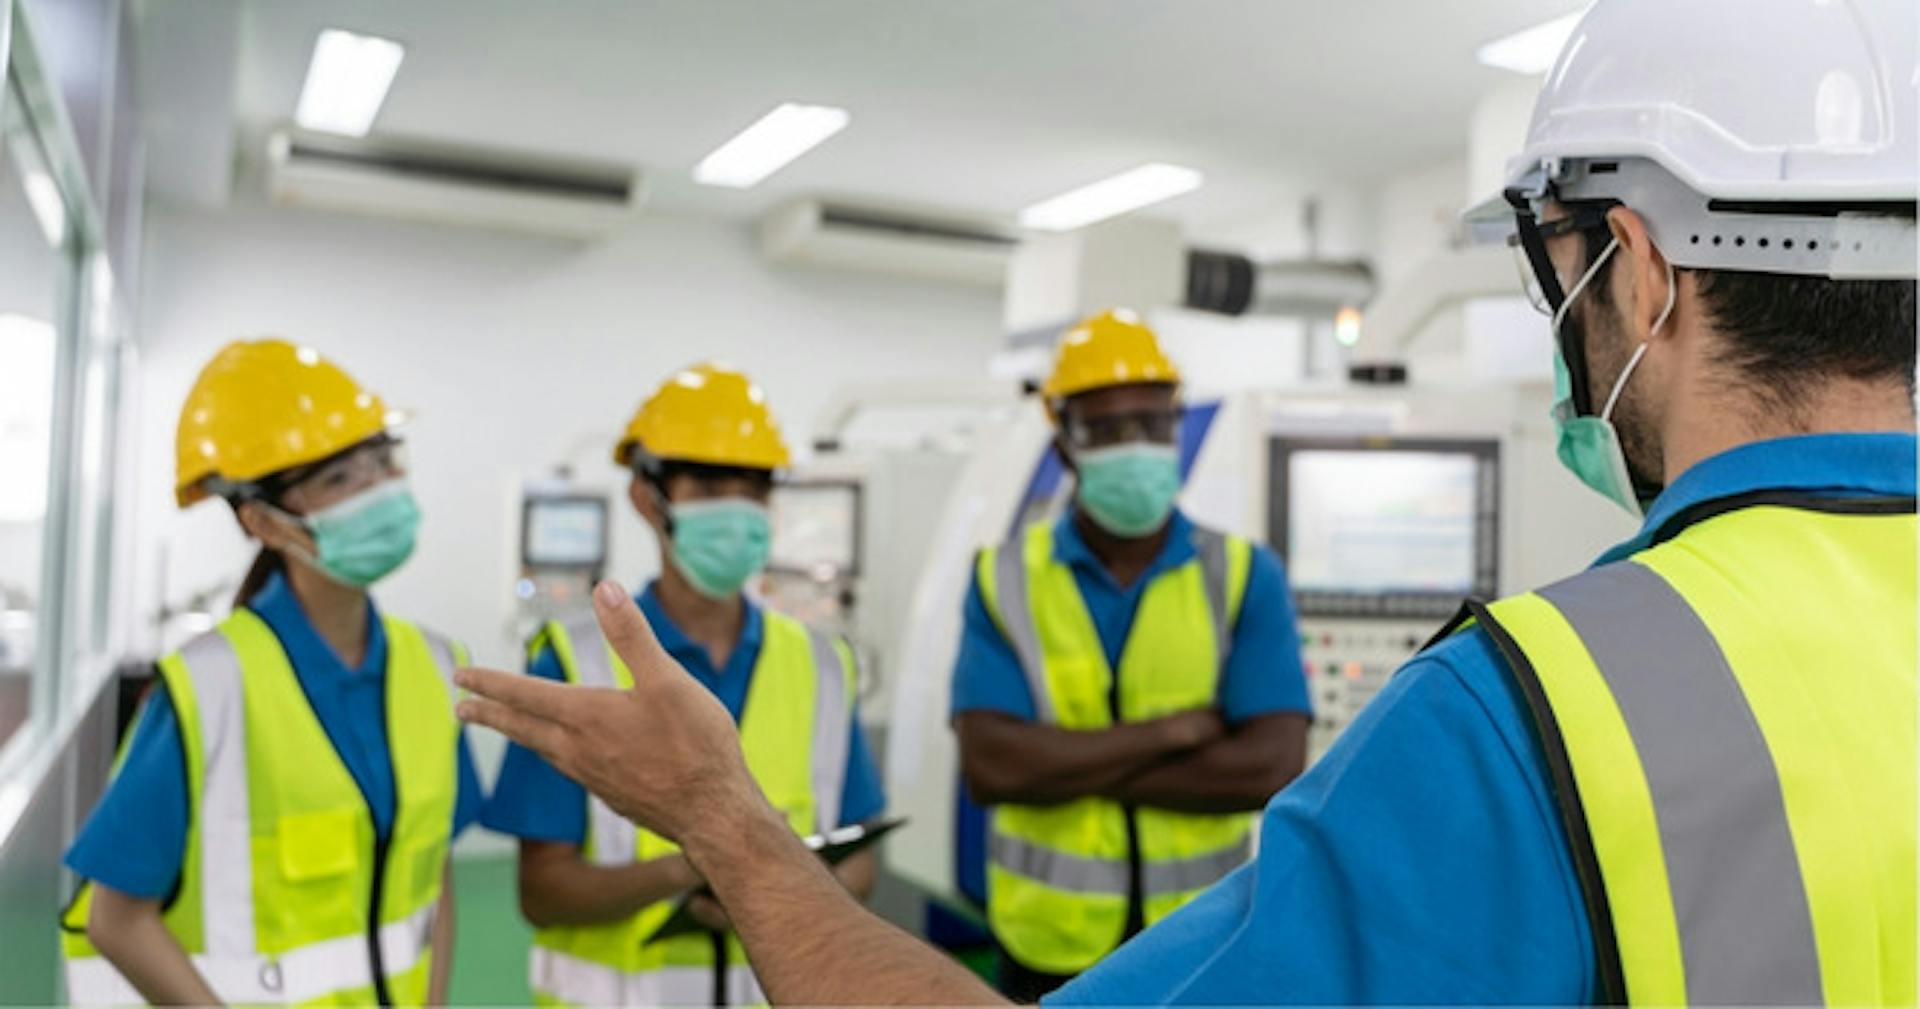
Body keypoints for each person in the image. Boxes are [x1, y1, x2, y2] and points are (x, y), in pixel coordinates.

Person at [454, 0, 1917, 1002]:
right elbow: (1008, 763)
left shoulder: (1536, 714)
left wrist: (718, 812)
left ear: (1639, 269)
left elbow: (1208, 754)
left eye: (1559, 273)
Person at [62, 339, 485, 1006]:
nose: (378, 490)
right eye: (341, 478)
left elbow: (433, 876)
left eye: (381, 462)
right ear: (265, 520)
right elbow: (115, 919)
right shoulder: (206, 688)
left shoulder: (435, 667)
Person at [480, 362, 886, 1007]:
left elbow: (861, 859)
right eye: (708, 483)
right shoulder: (573, 660)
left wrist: (769, 882)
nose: (736, 506)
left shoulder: (822, 663)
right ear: (647, 497)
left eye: (752, 486)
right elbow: (545, 894)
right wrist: (692, 868)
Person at [951, 309, 1309, 999]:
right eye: (1108, 429)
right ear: (1064, 444)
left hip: (1205, 935)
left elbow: (1270, 765)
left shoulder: (1243, 574)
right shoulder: (1003, 578)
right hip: (1049, 944)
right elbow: (992, 766)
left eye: (1152, 423)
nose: (1136, 444)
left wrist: (1063, 763)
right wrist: (1171, 734)